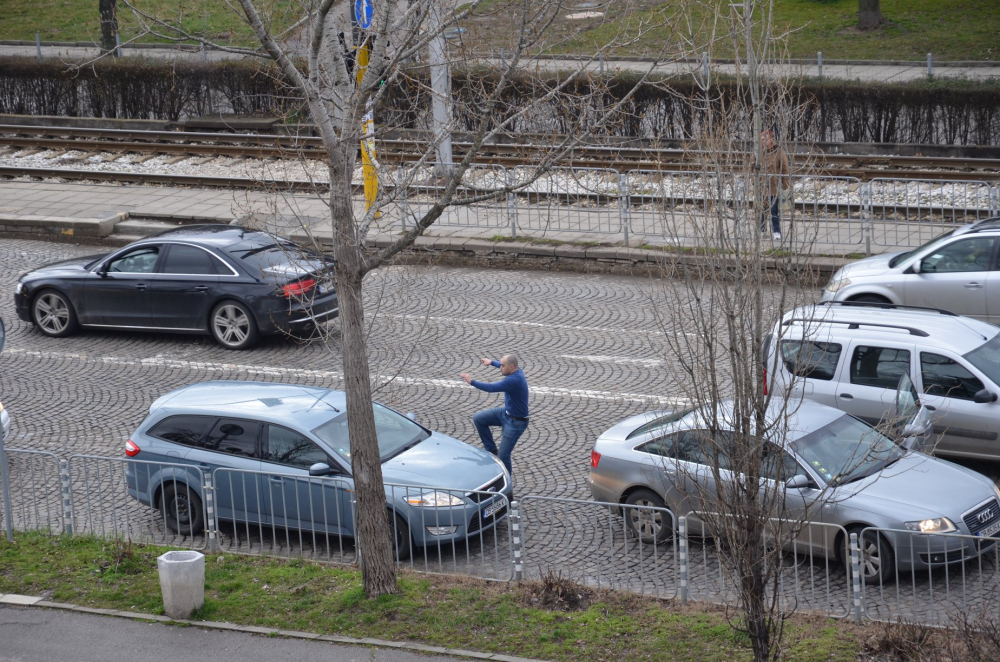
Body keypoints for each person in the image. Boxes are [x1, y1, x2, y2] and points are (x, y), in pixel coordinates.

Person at [460, 355, 529, 479]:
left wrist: (471, 381)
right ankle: (491, 450)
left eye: (503, 365)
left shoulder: (513, 380)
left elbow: (492, 388)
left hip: (516, 422)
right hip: (506, 413)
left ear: (511, 367)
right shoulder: (517, 369)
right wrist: (491, 362)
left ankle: (506, 481)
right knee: (479, 418)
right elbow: (503, 365)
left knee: (504, 455)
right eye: (500, 364)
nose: (500, 367)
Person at [760, 127, 790, 241]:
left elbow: (785, 169)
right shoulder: (758, 153)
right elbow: (752, 168)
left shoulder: (778, 152)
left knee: (773, 211)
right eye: (762, 139)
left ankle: (776, 231)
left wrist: (785, 185)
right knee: (761, 210)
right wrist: (754, 182)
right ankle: (762, 230)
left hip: (774, 186)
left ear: (771, 139)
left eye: (766, 139)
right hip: (761, 187)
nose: (764, 141)